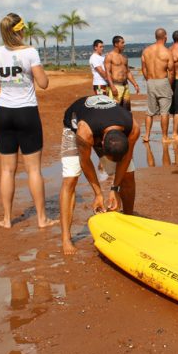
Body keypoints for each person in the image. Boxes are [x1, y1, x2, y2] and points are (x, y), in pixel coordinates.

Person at [0, 13, 57, 229]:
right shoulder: (30, 52)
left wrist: (6, 80)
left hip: (3, 113)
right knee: (33, 169)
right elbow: (43, 83)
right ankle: (42, 219)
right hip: (26, 113)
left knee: (7, 170)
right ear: (20, 30)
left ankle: (7, 219)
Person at [59, 94, 140, 255]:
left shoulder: (133, 128)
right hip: (75, 127)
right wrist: (98, 194)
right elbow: (85, 161)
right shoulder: (84, 133)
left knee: (128, 174)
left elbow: (126, 159)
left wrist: (114, 189)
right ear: (101, 144)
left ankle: (129, 221)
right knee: (71, 178)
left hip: (104, 125)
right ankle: (66, 238)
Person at [141, 28, 175, 143]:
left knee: (150, 111)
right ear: (165, 37)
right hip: (163, 81)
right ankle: (164, 137)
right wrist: (169, 85)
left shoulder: (146, 51)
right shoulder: (167, 52)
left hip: (151, 81)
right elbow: (171, 72)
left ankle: (146, 135)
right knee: (164, 112)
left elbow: (144, 68)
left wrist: (148, 80)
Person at [105, 35, 140, 110]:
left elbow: (128, 72)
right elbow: (107, 73)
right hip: (116, 85)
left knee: (126, 110)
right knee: (114, 109)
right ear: (116, 44)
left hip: (125, 85)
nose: (124, 44)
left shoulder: (124, 56)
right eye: (122, 43)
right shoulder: (109, 56)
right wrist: (112, 87)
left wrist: (135, 84)